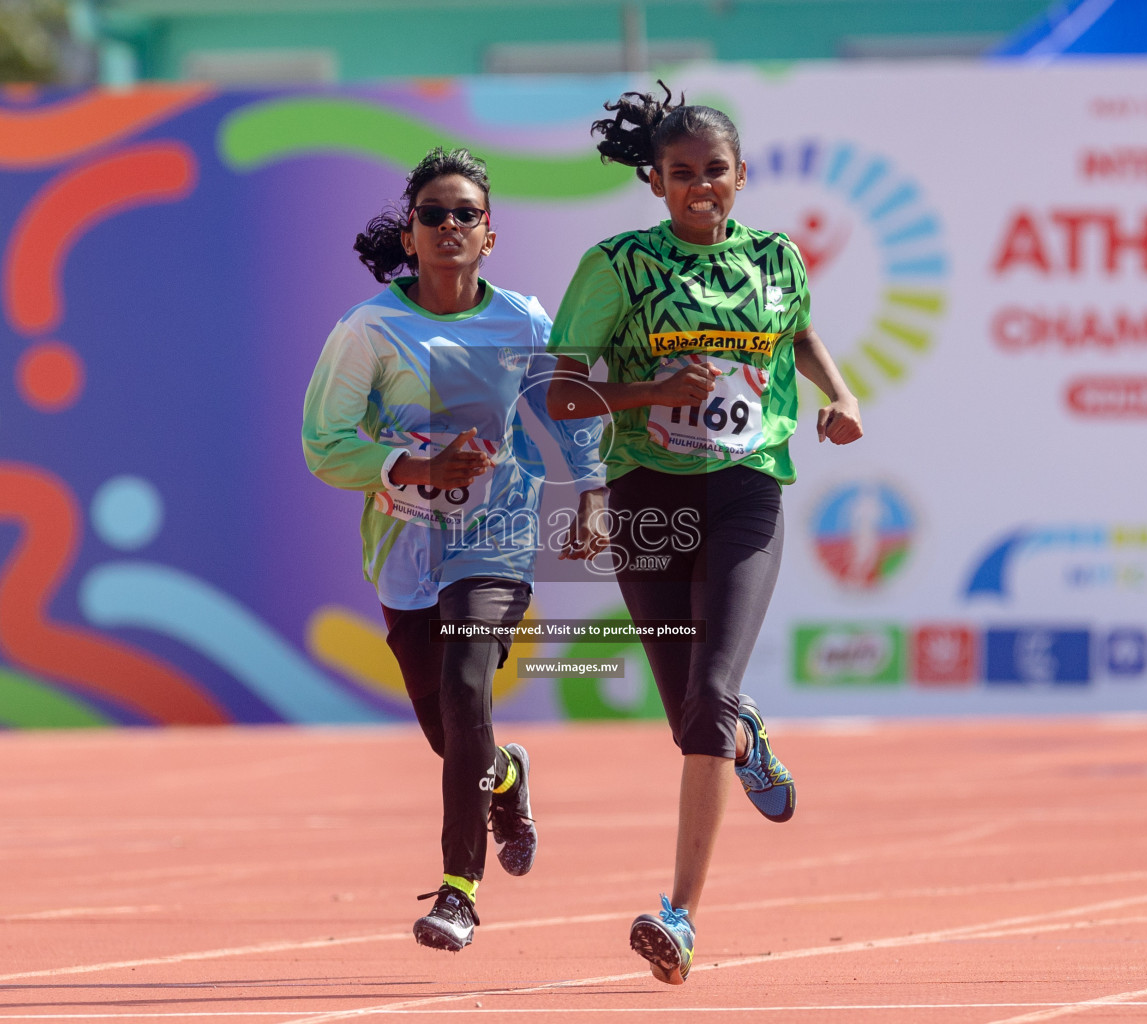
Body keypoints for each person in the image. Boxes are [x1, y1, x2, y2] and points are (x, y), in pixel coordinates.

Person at [545, 84, 864, 984]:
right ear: (655, 182)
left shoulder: (775, 257)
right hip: (647, 490)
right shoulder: (616, 265)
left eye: (714, 173)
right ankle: (744, 736)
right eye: (681, 175)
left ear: (741, 175)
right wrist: (648, 396)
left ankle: (679, 915)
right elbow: (559, 392)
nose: (699, 189)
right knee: (689, 710)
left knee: (707, 702)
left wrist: (840, 396)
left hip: (748, 489)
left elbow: (798, 336)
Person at [303, 147, 607, 953]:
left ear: (489, 235)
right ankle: (505, 775)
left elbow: (570, 407)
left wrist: (593, 491)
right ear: (410, 232)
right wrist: (414, 467)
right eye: (432, 214)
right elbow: (323, 443)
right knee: (452, 735)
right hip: (405, 548)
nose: (448, 227)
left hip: (496, 539)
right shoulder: (370, 329)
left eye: (464, 214)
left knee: (469, 685)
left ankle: (459, 892)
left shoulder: (525, 321)